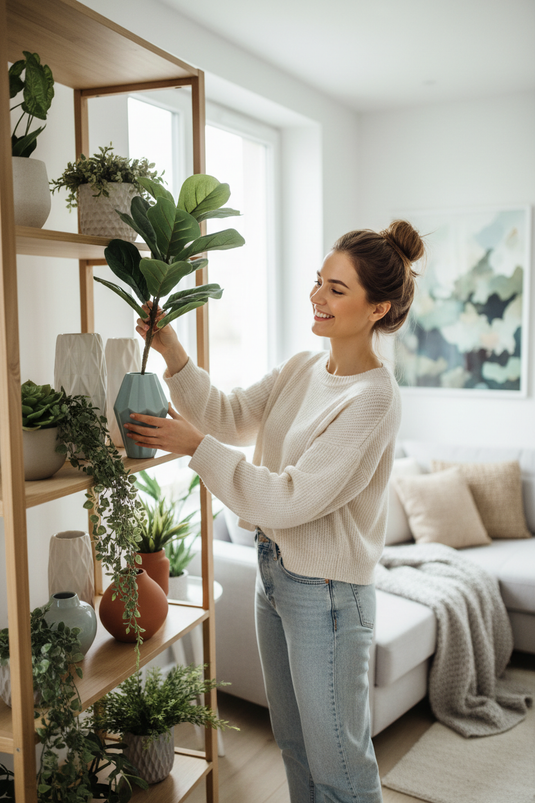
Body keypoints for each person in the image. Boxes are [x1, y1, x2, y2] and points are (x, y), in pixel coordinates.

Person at [124, 219, 425, 803]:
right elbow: (229, 415)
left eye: (337, 290)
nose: (317, 296)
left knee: (338, 764)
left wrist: (193, 447)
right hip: (275, 574)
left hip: (329, 595)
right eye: (319, 281)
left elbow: (288, 498)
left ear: (377, 308)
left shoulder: (374, 399)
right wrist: (173, 351)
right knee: (293, 744)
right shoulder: (302, 368)